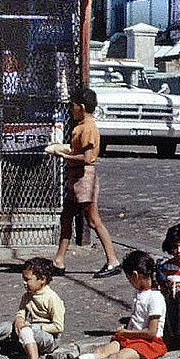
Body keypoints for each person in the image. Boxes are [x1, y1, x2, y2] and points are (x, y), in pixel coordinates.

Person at [47, 249, 166, 359]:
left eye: (129, 278)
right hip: (133, 337)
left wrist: (126, 333)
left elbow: (151, 332)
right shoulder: (139, 293)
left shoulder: (155, 297)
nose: (130, 282)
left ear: (135, 275)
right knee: (102, 351)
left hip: (149, 343)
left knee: (117, 357)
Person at [48, 86, 121, 279]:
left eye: (73, 106)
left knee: (93, 220)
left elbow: (88, 158)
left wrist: (63, 155)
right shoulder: (81, 126)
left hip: (84, 178)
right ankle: (59, 260)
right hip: (75, 177)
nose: (71, 110)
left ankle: (112, 260)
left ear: (80, 106)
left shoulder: (88, 127)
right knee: (66, 217)